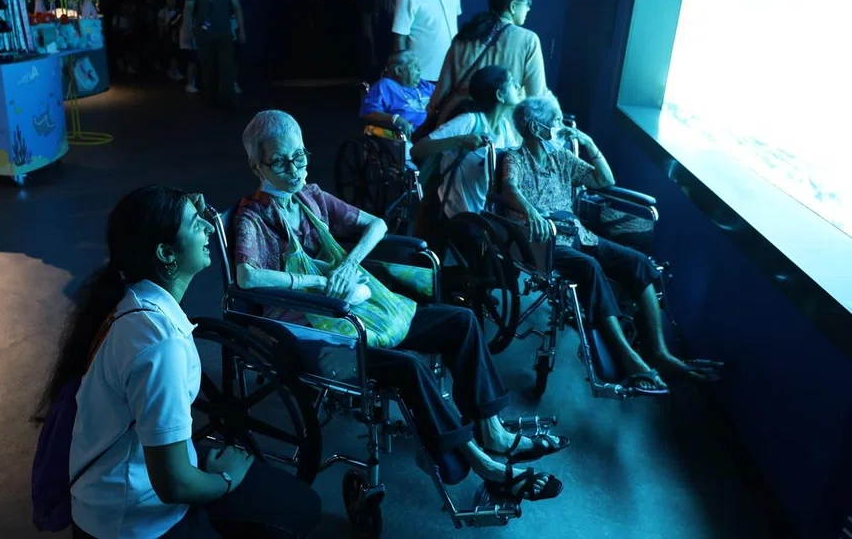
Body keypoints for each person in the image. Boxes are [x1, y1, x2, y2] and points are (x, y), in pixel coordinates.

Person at [232, 109, 568, 503]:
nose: (294, 169)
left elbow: (376, 225)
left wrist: (349, 264)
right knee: (408, 367)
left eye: (299, 156)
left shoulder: (310, 196)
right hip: (314, 333)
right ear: (256, 166)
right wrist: (321, 283)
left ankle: (492, 430)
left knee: (460, 321)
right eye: (279, 162)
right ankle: (484, 465)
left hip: (358, 312)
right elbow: (247, 277)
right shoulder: (253, 216)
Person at [32, 186, 322, 538]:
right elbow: (175, 485)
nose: (210, 228)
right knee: (301, 511)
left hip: (117, 493)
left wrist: (183, 210)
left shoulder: (132, 301)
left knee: (298, 503)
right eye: (196, 223)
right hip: (136, 522)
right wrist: (225, 479)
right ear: (166, 253)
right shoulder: (159, 344)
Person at [501, 95, 724, 393]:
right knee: (590, 268)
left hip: (580, 236)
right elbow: (509, 187)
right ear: (535, 127)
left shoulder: (560, 158)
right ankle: (629, 358)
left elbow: (604, 180)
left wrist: (589, 143)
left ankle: (659, 352)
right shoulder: (515, 159)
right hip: (545, 243)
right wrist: (531, 212)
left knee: (638, 263)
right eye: (554, 122)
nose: (560, 127)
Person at [429, 0, 548, 126]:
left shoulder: (465, 35)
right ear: (513, 6)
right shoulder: (528, 40)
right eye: (527, 3)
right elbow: (536, 100)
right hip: (499, 128)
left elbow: (440, 92)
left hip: (455, 122)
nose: (529, 8)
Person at [410, 65, 524, 220]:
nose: (517, 85)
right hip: (453, 215)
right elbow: (418, 149)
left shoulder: (504, 127)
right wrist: (460, 141)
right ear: (499, 95)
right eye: (511, 81)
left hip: (481, 215)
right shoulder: (469, 121)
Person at [183, 0, 246, 110]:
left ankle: (227, 101)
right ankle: (211, 102)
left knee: (227, 66)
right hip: (204, 35)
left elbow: (237, 7)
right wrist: (186, 31)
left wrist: (241, 30)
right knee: (208, 68)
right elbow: (188, 9)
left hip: (225, 33)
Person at [360, 50, 435, 138]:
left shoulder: (424, 84)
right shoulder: (385, 86)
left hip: (436, 132)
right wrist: (396, 119)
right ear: (399, 71)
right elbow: (368, 114)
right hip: (409, 137)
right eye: (414, 66)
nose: (419, 69)